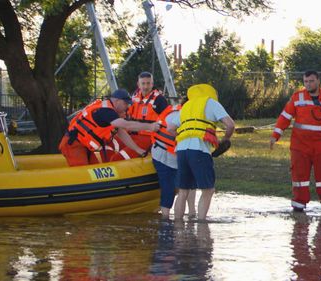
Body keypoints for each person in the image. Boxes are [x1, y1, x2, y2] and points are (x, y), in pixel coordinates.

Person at [270, 70, 321, 212]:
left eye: (311, 81)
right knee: (299, 176)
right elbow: (285, 116)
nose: (308, 84)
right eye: (306, 82)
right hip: (300, 145)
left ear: (318, 81)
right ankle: (298, 206)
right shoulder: (297, 97)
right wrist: (275, 135)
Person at [167, 84, 235, 221]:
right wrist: (226, 138)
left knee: (183, 191)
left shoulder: (187, 106)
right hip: (199, 150)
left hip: (181, 150)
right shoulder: (211, 103)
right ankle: (202, 226)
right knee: (208, 190)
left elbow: (170, 129)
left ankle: (178, 227)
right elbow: (230, 125)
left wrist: (184, 134)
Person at [59, 89, 159, 167]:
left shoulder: (109, 111)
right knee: (83, 176)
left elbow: (122, 133)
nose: (127, 107)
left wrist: (138, 150)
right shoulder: (106, 111)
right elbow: (126, 125)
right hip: (74, 144)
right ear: (117, 101)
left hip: (84, 146)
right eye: (125, 103)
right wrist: (150, 126)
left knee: (95, 172)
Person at [110, 71, 168, 161]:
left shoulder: (160, 100)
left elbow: (167, 121)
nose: (145, 86)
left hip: (147, 138)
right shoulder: (133, 97)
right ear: (138, 84)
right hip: (129, 135)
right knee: (108, 144)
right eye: (143, 83)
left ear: (152, 84)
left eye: (148, 83)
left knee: (117, 159)